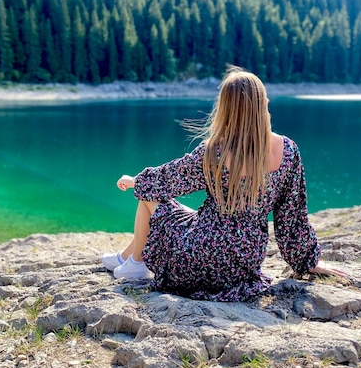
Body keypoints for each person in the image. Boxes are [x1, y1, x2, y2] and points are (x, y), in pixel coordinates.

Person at [101, 66, 346, 302]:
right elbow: (292, 217)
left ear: (226, 109)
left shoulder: (214, 151)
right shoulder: (288, 151)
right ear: (262, 104)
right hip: (244, 263)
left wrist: (136, 181)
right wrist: (307, 262)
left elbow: (168, 180)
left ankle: (135, 262)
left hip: (199, 256)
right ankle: (125, 257)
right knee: (178, 212)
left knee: (149, 195)